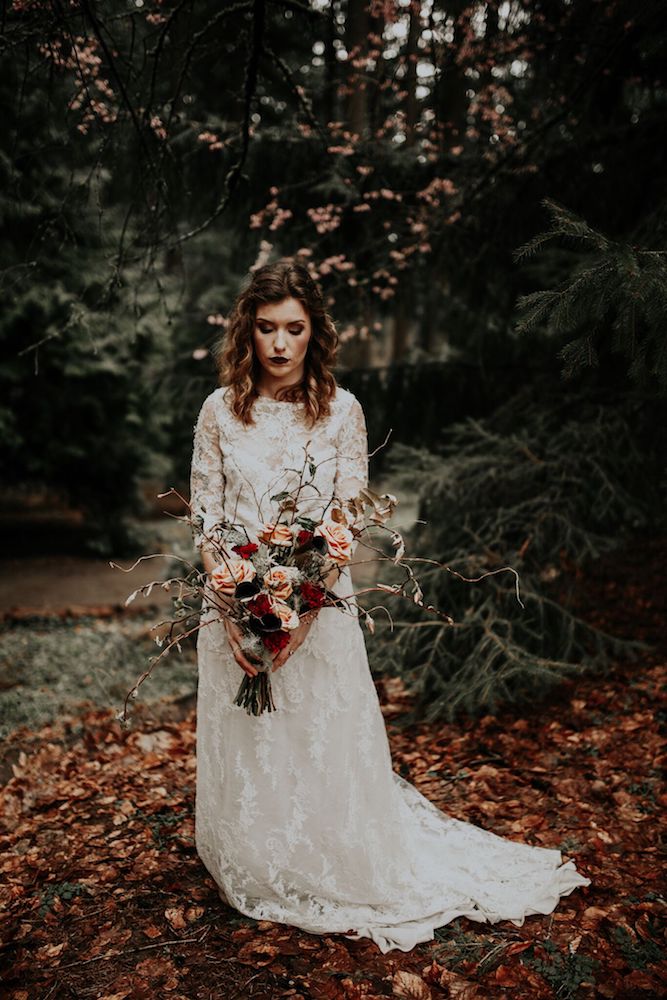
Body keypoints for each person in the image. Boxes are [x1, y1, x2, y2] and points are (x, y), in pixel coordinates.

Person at [189, 258, 591, 954]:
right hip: (234, 594)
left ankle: (328, 849)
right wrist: (235, 607)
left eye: (294, 329)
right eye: (265, 329)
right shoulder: (219, 410)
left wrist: (298, 612)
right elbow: (206, 515)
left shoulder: (341, 411)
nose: (279, 344)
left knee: (316, 727)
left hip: (317, 601)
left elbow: (345, 521)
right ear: (246, 333)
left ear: (315, 335)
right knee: (252, 733)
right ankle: (259, 855)